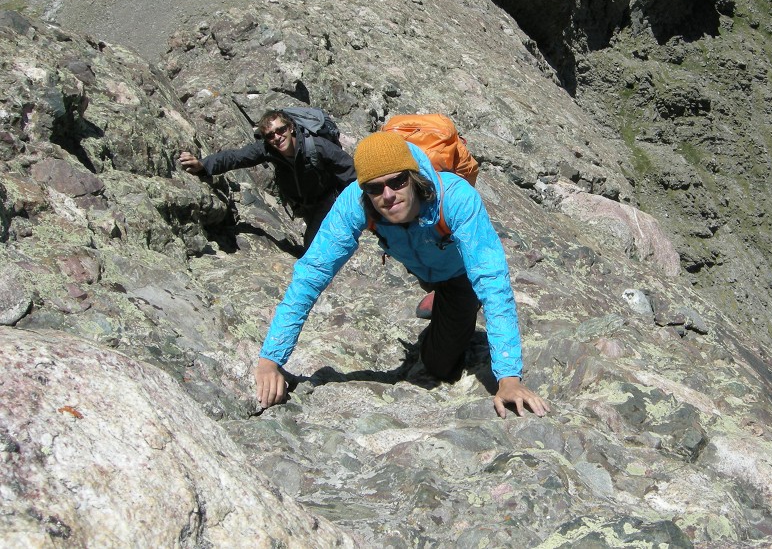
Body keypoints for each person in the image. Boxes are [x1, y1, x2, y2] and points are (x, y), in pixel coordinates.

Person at [254, 131, 550, 419]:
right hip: (423, 263)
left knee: (439, 368)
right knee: (432, 285)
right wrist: (271, 359)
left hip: (460, 274)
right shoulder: (355, 204)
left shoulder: (457, 199)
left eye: (397, 181)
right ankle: (437, 297)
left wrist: (508, 378)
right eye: (375, 187)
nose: (387, 195)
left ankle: (450, 303)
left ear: (413, 177)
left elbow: (492, 283)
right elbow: (312, 273)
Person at [179, 109, 356, 248]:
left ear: (291, 127)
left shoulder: (317, 146)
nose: (277, 137)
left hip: (327, 201)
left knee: (314, 248)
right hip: (302, 204)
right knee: (314, 242)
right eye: (270, 135)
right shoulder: (267, 150)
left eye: (281, 130)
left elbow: (349, 169)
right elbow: (236, 157)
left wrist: (362, 202)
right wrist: (203, 165)